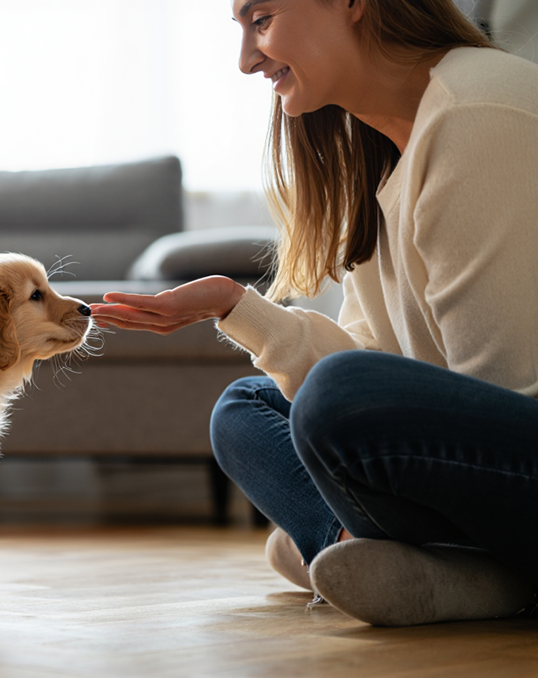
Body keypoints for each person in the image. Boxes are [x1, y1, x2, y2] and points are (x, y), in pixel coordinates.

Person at [91, 0, 538, 627]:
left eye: (262, 20)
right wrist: (235, 306)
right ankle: (402, 557)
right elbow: (381, 361)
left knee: (338, 395)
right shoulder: (378, 149)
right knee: (245, 409)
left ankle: (399, 555)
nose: (246, 61)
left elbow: (501, 394)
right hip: (488, 461)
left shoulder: (476, 112)